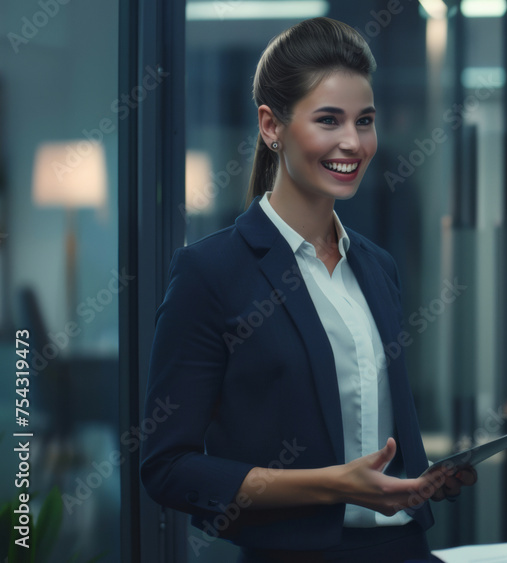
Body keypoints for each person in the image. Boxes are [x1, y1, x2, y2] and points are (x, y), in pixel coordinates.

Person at [140, 17, 475, 562]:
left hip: (403, 547)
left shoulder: (377, 266)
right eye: (329, 120)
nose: (353, 142)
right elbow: (167, 467)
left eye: (364, 121)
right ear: (271, 127)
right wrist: (334, 485)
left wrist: (423, 478)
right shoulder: (210, 272)